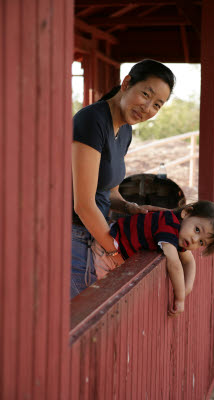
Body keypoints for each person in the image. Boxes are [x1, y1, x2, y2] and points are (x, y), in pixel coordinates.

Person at [71, 59, 176, 299]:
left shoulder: (125, 130)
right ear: (127, 83)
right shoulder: (91, 120)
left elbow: (110, 192)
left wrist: (131, 208)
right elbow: (84, 204)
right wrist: (114, 254)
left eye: (157, 105)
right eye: (146, 94)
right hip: (73, 235)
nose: (148, 108)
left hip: (96, 235)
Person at [90, 200, 214, 317]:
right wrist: (180, 299)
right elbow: (174, 263)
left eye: (201, 242)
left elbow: (189, 261)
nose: (194, 240)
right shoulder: (168, 224)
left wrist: (187, 288)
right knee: (93, 297)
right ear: (186, 213)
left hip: (116, 254)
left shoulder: (180, 234)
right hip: (107, 250)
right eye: (197, 230)